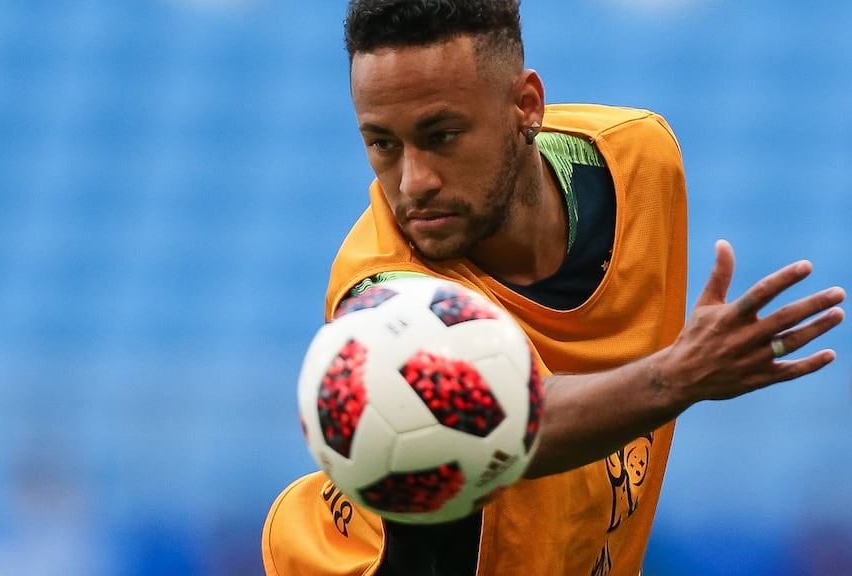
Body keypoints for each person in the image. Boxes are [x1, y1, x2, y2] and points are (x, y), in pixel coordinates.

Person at [262, 1, 847, 575]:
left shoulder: (639, 161)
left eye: (441, 135)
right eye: (383, 144)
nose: (414, 182)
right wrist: (677, 376)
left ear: (526, 106)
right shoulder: (384, 292)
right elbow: (486, 422)